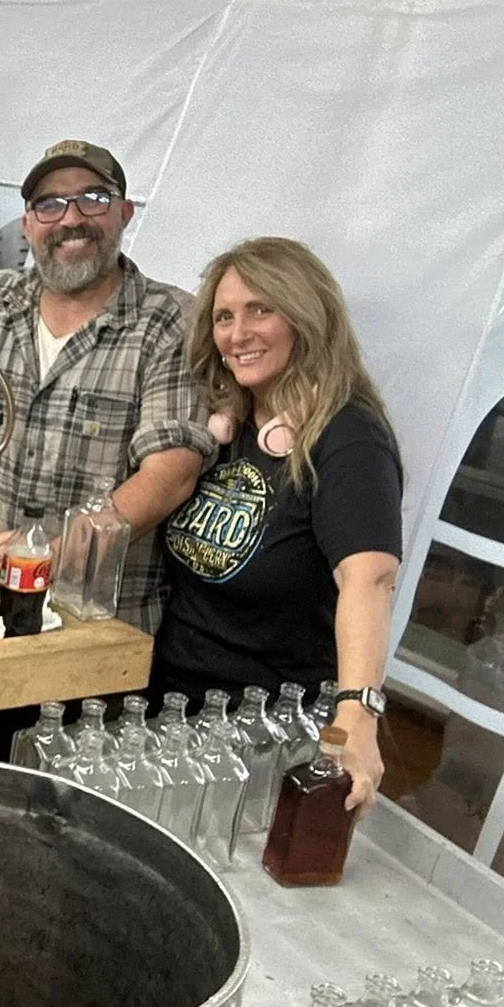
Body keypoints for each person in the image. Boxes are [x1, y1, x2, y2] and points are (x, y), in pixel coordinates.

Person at [154, 236, 403, 814]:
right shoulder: (230, 422)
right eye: (223, 316)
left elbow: (369, 580)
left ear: (306, 316)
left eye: (260, 309)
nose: (237, 333)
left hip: (261, 741)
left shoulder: (349, 438)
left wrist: (357, 713)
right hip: (167, 717)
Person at [0, 140, 213, 635]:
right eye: (50, 204)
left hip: (94, 624)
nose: (71, 218)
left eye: (92, 199)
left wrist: (43, 558)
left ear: (124, 212)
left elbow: (170, 476)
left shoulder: (169, 321)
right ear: (28, 224)